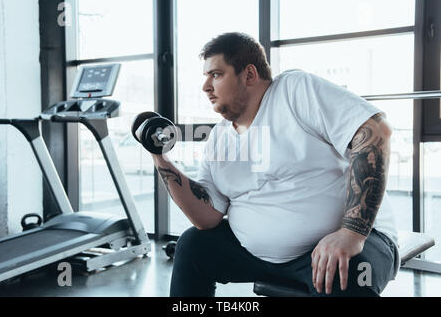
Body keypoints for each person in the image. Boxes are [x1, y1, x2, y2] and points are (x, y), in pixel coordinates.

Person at [151, 32, 399, 297]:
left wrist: (352, 233)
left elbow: (374, 131)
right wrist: (160, 157)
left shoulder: (294, 91)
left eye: (216, 74)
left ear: (249, 74)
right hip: (257, 255)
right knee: (192, 246)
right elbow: (207, 217)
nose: (205, 87)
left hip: (354, 240)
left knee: (347, 273)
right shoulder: (219, 137)